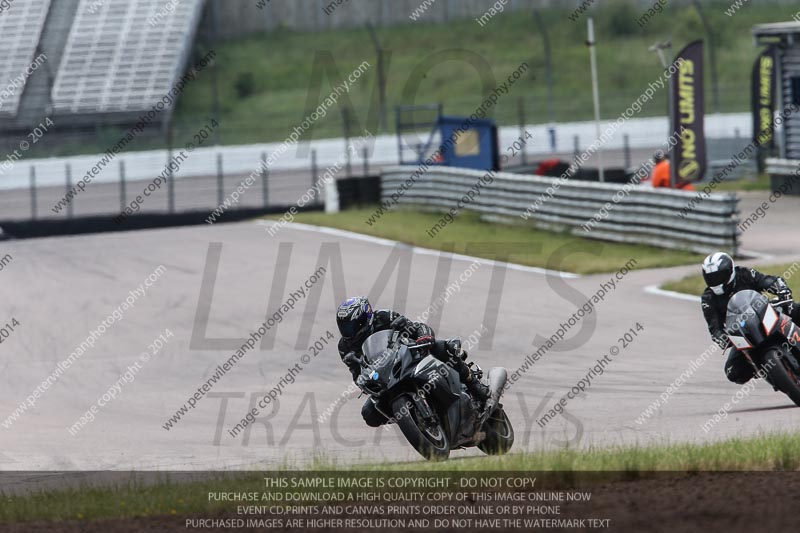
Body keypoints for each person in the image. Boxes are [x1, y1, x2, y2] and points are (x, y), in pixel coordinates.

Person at [336, 296, 490, 427]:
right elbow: (357, 374)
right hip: (384, 376)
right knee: (369, 414)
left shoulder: (383, 317)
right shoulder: (345, 347)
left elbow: (414, 327)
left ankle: (475, 385)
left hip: (409, 354)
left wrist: (424, 336)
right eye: (344, 327)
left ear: (365, 318)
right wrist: (364, 382)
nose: (349, 331)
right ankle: (412, 417)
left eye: (351, 326)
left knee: (444, 347)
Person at [700, 252, 800, 384]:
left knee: (795, 308)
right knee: (732, 372)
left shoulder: (744, 274)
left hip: (763, 313)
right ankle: (768, 371)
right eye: (711, 277)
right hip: (742, 332)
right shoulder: (708, 299)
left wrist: (782, 290)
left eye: (719, 276)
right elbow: (714, 328)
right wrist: (722, 338)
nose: (716, 280)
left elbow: (769, 281)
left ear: (730, 271)